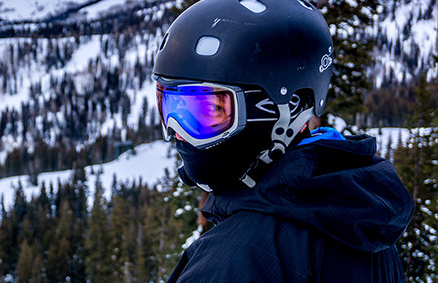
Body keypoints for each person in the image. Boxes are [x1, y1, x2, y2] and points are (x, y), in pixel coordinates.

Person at [152, 0, 414, 281]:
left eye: (208, 110)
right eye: (169, 106)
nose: (177, 131)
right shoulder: (362, 218)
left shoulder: (232, 262)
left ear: (287, 111)